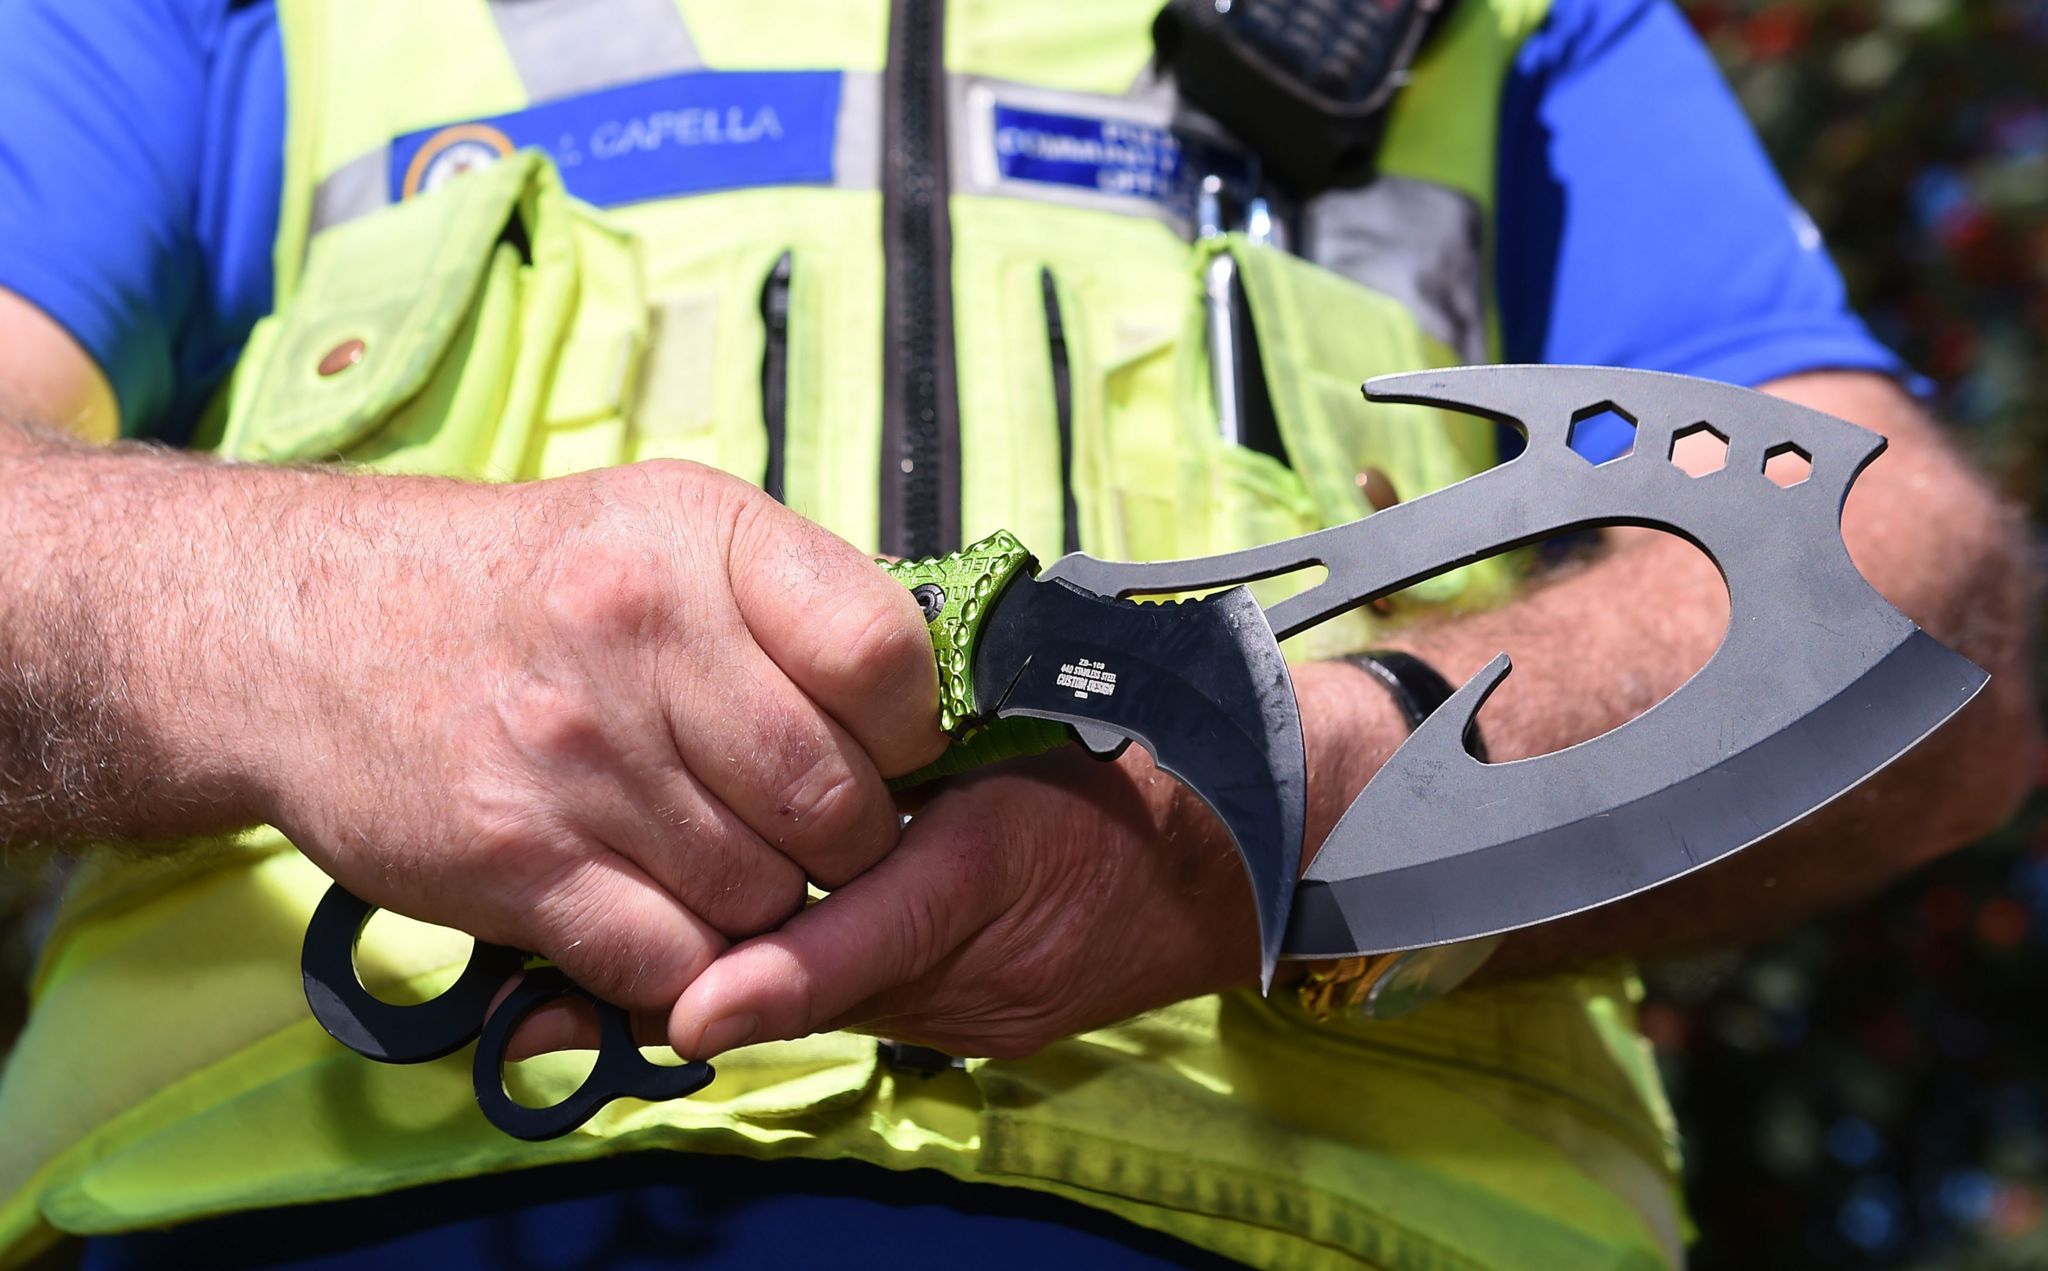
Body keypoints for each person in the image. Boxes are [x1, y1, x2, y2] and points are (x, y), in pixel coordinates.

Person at [0, 0, 2035, 1266]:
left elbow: (1920, 594)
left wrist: (1334, 797)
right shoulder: (227, 15)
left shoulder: (1509, 27)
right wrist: (286, 615)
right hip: (309, 1214)